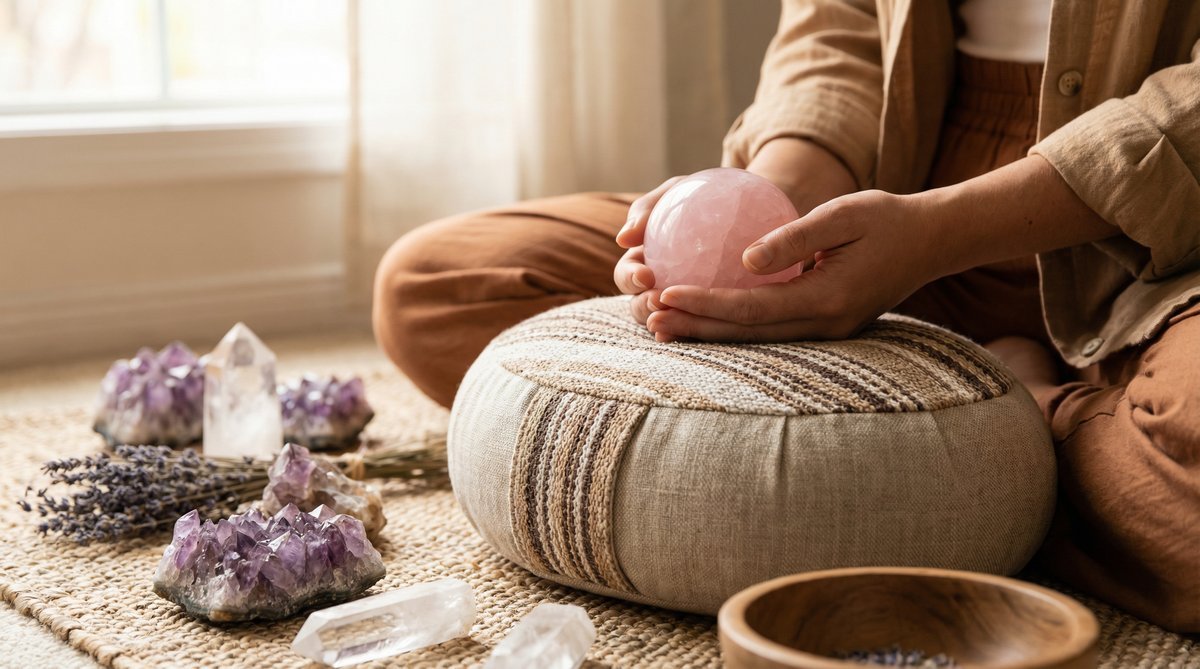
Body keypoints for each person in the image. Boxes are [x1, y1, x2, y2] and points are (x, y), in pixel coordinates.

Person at [373, 0, 1200, 632]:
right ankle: (962, 465)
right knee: (437, 284)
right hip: (884, 193)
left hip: (1145, 246)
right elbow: (834, 30)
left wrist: (940, 233)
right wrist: (774, 213)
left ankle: (1017, 407)